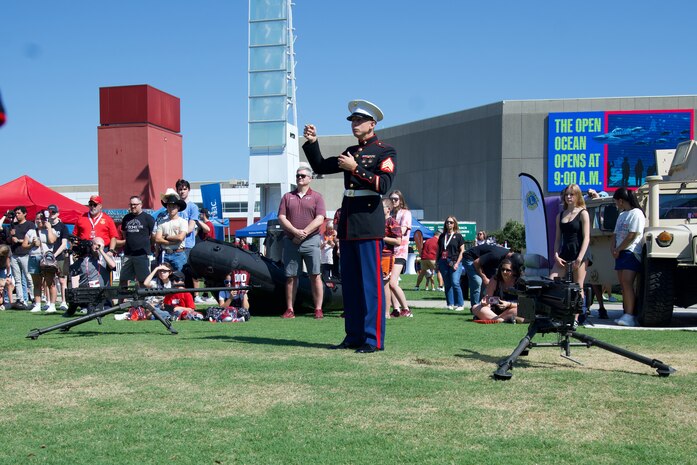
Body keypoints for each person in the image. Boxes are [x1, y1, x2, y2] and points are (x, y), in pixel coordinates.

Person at [303, 99, 396, 353]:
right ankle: (353, 336)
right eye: (352, 121)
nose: (354, 125)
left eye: (359, 121)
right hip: (348, 223)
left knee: (370, 285)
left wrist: (356, 169)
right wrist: (312, 144)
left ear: (372, 124)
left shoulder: (385, 151)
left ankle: (373, 340)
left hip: (368, 221)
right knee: (352, 286)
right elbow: (320, 165)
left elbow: (384, 185)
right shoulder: (350, 151)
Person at [277, 165, 326, 319]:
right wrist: (295, 232)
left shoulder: (317, 197)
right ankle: (290, 309)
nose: (300, 178)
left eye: (303, 176)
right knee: (291, 277)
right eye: (298, 175)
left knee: (315, 275)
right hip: (291, 241)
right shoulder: (287, 196)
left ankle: (318, 309)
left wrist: (304, 232)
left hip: (311, 240)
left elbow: (320, 218)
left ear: (310, 179)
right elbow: (281, 217)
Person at [549, 184, 591, 310]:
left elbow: (587, 237)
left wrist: (579, 258)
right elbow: (557, 239)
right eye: (566, 194)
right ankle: (557, 312)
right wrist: (556, 254)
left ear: (577, 196)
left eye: (571, 194)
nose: (568, 197)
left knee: (578, 286)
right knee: (552, 281)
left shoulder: (583, 213)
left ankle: (576, 318)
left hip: (580, 252)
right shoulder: (560, 215)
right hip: (565, 253)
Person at [611, 187, 645, 327]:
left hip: (631, 252)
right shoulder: (621, 215)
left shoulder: (636, 213)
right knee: (623, 285)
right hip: (620, 252)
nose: (616, 205)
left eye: (616, 202)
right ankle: (626, 312)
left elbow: (632, 235)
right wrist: (613, 248)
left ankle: (630, 314)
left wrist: (619, 248)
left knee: (627, 283)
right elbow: (615, 234)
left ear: (621, 200)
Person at [462, 243, 522, 310]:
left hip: (484, 263)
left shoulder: (505, 258)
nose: (505, 271)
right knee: (477, 281)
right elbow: (476, 263)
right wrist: (484, 278)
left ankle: (488, 304)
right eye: (504, 269)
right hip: (471, 258)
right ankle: (475, 306)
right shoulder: (496, 255)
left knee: (490, 282)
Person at [66, 237, 117, 316]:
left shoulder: (106, 257)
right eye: (95, 244)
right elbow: (68, 271)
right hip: (85, 291)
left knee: (94, 311)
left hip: (101, 292)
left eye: (100, 245)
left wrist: (101, 251)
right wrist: (67, 256)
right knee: (73, 296)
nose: (97, 247)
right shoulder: (84, 259)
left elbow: (113, 266)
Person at [119, 195, 155, 286]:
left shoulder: (148, 218)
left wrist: (148, 246)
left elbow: (153, 236)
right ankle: (121, 300)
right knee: (123, 280)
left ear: (141, 204)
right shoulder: (126, 218)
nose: (133, 206)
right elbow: (124, 234)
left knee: (143, 280)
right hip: (128, 255)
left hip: (142, 255)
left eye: (135, 204)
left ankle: (142, 299)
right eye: (131, 204)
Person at [388, 190, 412, 318]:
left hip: (400, 252)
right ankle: (396, 309)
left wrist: (386, 233)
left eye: (396, 199)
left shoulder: (405, 213)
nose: (393, 201)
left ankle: (406, 308)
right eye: (391, 199)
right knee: (390, 282)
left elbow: (401, 231)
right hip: (389, 252)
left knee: (392, 282)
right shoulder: (390, 214)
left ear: (401, 200)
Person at [472, 258, 520, 323]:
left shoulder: (519, 282)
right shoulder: (495, 280)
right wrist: (486, 303)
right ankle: (501, 320)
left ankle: (490, 318)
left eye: (508, 270)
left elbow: (523, 304)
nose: (504, 272)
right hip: (494, 310)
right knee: (475, 307)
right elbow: (488, 297)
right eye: (502, 269)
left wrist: (509, 304)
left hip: (511, 309)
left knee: (520, 310)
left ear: (514, 271)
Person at [28, 212, 57, 313]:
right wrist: (32, 243)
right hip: (34, 257)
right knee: (36, 283)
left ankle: (52, 305)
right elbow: (24, 245)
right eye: (37, 219)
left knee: (50, 283)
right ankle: (38, 304)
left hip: (46, 259)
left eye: (41, 219)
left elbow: (52, 240)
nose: (39, 221)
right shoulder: (31, 231)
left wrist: (48, 228)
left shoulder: (52, 230)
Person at [154, 189, 189, 272]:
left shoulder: (183, 222)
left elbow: (180, 237)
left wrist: (166, 237)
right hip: (164, 253)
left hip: (179, 254)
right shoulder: (161, 222)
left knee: (180, 279)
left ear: (178, 208)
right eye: (169, 206)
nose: (171, 208)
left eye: (174, 206)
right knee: (163, 279)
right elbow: (157, 239)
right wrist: (171, 242)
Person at [8, 206, 36, 308]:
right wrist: (11, 236)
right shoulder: (13, 225)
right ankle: (21, 299)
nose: (17, 215)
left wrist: (19, 240)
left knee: (29, 277)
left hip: (25, 254)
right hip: (14, 254)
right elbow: (8, 239)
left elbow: (32, 239)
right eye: (16, 213)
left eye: (19, 213)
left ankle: (33, 298)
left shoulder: (29, 225)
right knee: (17, 278)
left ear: (25, 214)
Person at [437, 216, 465, 311]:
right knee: (447, 284)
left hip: (454, 261)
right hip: (443, 261)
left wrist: (457, 263)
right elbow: (439, 250)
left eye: (451, 222)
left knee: (455, 282)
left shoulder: (458, 236)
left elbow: (462, 251)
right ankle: (450, 303)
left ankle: (460, 304)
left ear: (454, 224)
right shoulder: (442, 236)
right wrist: (437, 262)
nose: (449, 224)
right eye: (447, 222)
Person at [381, 198, 402, 319]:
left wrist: (383, 237)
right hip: (375, 255)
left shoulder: (392, 222)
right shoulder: (377, 221)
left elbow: (398, 241)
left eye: (381, 207)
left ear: (388, 209)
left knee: (385, 283)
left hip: (386, 256)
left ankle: (386, 312)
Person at [46, 204, 70, 311]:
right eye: (50, 212)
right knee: (49, 281)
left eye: (54, 212)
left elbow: (64, 244)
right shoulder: (45, 226)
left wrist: (54, 255)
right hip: (46, 257)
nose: (52, 214)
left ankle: (64, 302)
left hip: (60, 257)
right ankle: (50, 302)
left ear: (58, 214)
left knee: (62, 280)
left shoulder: (62, 226)